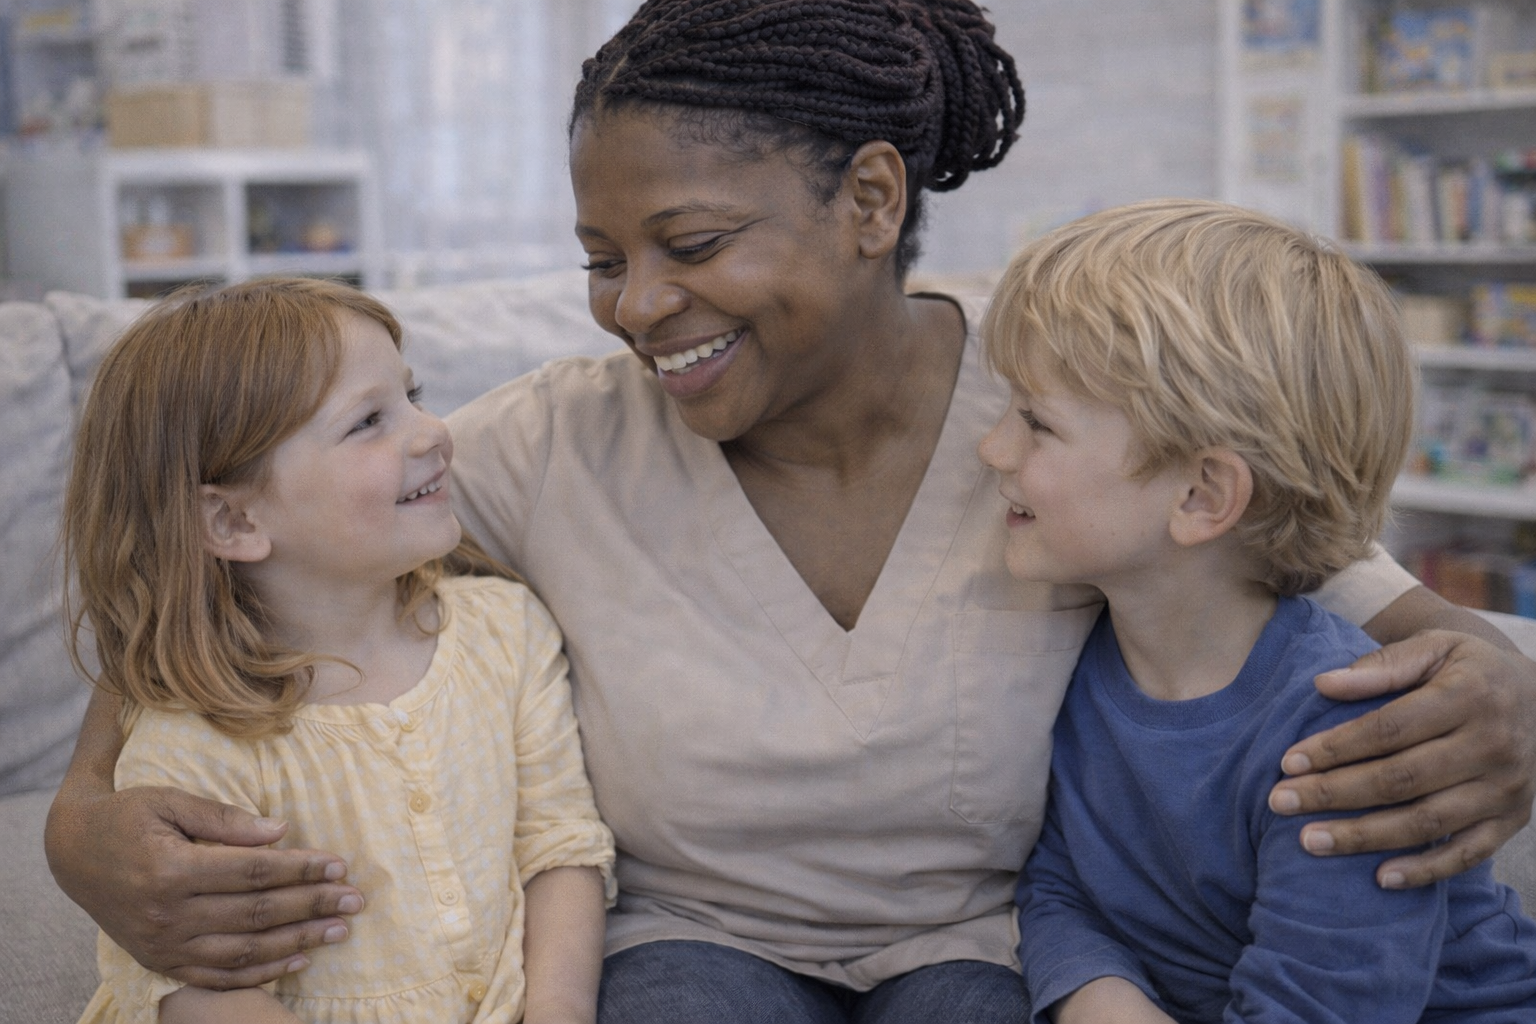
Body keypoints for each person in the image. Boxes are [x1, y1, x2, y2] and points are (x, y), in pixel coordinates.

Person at [42, 2, 1536, 1022]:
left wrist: (1495, 676)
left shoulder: (1066, 389)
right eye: (599, 255)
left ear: (872, 202)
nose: (635, 306)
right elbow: (237, 573)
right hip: (689, 936)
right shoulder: (544, 445)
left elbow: (1325, 551)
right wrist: (81, 825)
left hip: (981, 936)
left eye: (688, 242)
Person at [981, 200, 1536, 1022]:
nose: (992, 448)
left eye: (1036, 424)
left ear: (1203, 495)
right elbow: (1059, 878)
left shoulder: (1342, 731)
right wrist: (1099, 996)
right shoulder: (1076, 655)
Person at [61, 278, 615, 1024]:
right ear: (231, 520)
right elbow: (192, 987)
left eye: (413, 395)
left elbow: (559, 847)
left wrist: (556, 1010)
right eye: (369, 422)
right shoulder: (192, 738)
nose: (432, 432)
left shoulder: (507, 631)